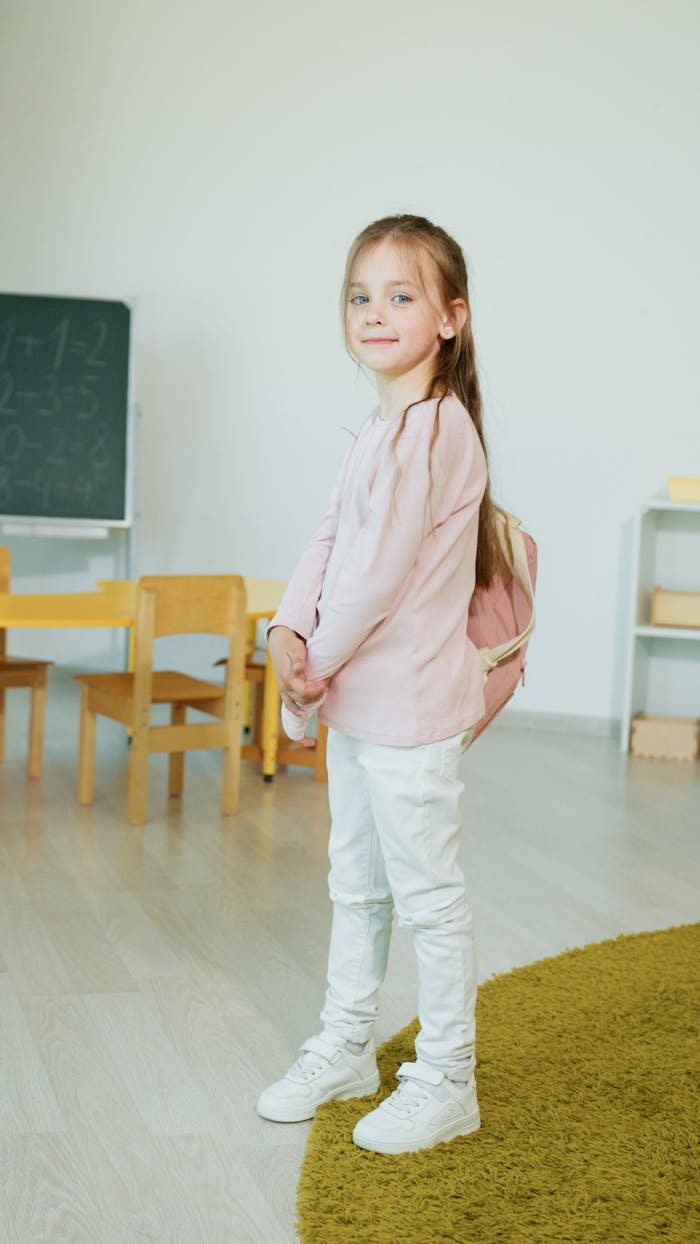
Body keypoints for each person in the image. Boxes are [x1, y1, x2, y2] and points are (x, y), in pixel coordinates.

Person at [257, 213, 513, 1155]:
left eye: (400, 296)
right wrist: (285, 627)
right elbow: (328, 541)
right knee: (356, 885)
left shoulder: (438, 430)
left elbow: (374, 575)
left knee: (426, 896)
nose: (374, 312)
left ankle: (448, 1078)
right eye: (360, 296)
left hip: (409, 709)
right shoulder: (378, 425)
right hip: (359, 703)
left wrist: (308, 664)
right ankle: (347, 1046)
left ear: (450, 319)